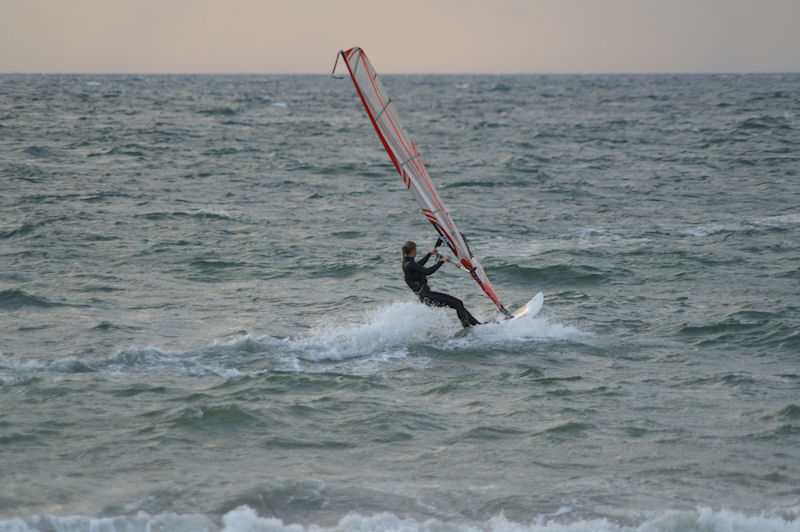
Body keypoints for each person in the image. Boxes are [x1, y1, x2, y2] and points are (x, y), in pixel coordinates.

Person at [402, 240, 480, 328]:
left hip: (425, 297)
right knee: (458, 303)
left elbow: (419, 264)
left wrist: (429, 254)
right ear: (413, 250)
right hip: (428, 296)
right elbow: (428, 271)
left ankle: (477, 325)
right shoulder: (410, 264)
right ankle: (468, 329)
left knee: (457, 304)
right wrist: (441, 262)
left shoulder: (406, 263)